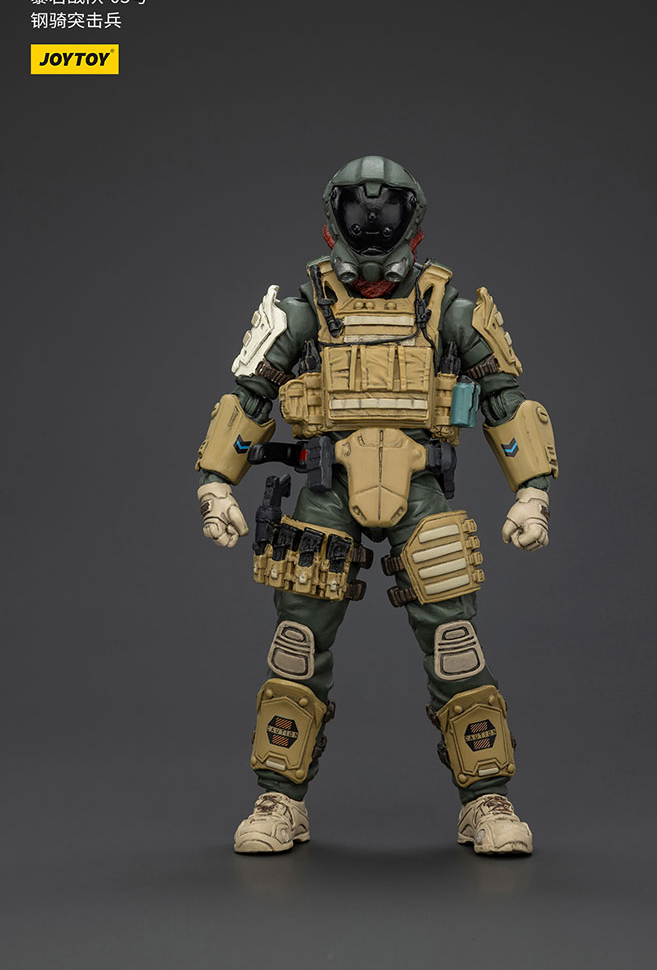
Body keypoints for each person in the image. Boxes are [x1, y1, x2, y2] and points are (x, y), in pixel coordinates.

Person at [195, 155, 558, 855]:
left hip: (419, 489)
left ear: (412, 226)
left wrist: (532, 492)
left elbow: (506, 401)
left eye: (384, 212)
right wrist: (216, 482)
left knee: (454, 645)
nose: (371, 225)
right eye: (359, 213)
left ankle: (487, 801)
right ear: (332, 221)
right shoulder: (303, 309)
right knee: (297, 646)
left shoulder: (449, 309)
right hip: (326, 488)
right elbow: (250, 398)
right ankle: (279, 799)